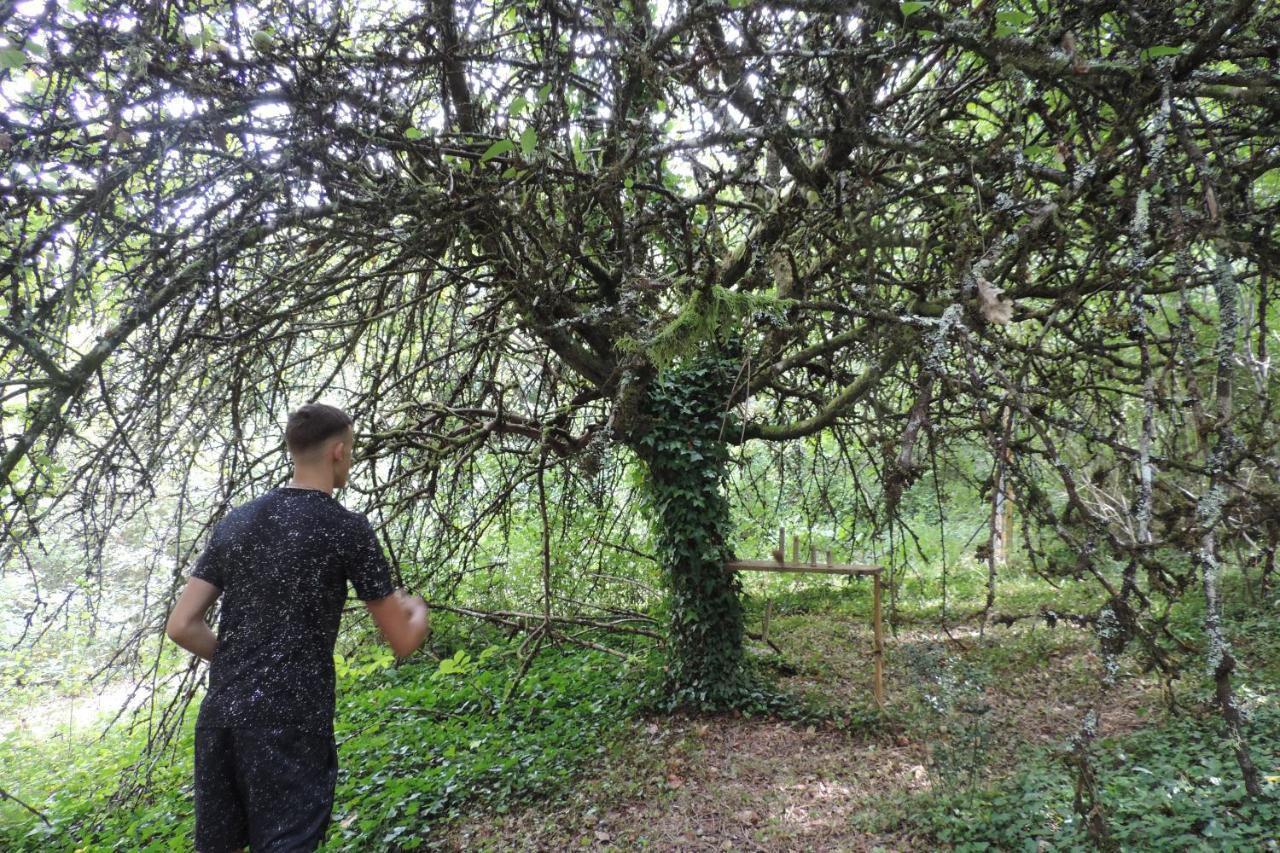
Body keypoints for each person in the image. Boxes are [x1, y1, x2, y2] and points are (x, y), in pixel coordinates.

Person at [166, 403, 429, 852]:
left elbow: (183, 625)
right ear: (338, 451)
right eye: (352, 451)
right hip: (292, 722)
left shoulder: (237, 521)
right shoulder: (346, 528)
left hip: (222, 717)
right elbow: (402, 642)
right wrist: (417, 611)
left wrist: (244, 658)